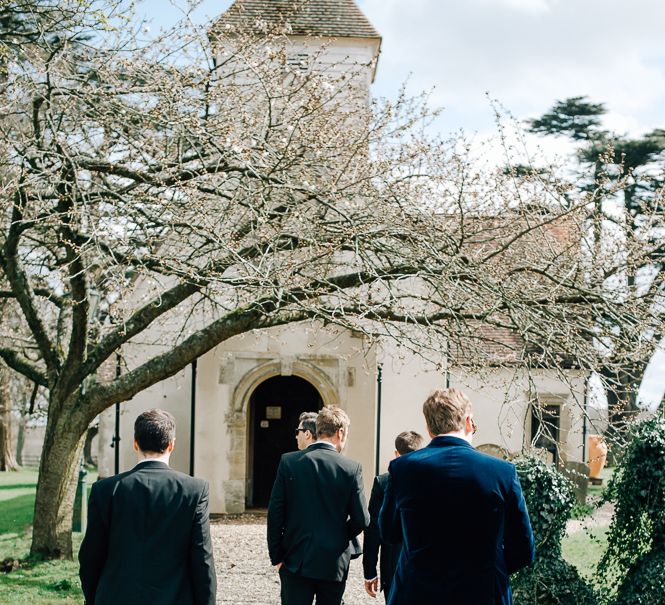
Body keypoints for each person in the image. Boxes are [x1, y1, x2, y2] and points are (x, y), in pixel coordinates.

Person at [379, 388, 534, 605]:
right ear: (469, 421)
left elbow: (389, 532)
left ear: (429, 427)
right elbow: (523, 547)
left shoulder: (402, 468)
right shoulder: (502, 472)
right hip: (483, 593)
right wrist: (489, 568)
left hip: (418, 592)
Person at [79, 409, 216, 605]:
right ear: (171, 444)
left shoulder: (105, 490)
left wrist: (93, 599)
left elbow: (90, 557)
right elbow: (202, 559)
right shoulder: (194, 490)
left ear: (135, 443)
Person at [267, 405, 369, 605]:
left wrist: (276, 557)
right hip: (333, 561)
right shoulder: (350, 468)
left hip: (295, 559)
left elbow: (275, 513)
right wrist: (338, 534)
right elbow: (361, 519)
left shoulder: (289, 462)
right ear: (340, 433)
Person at [363, 431, 424, 600]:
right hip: (424, 565)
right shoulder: (433, 479)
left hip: (393, 566)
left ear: (396, 453)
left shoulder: (383, 482)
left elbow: (373, 530)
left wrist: (369, 571)